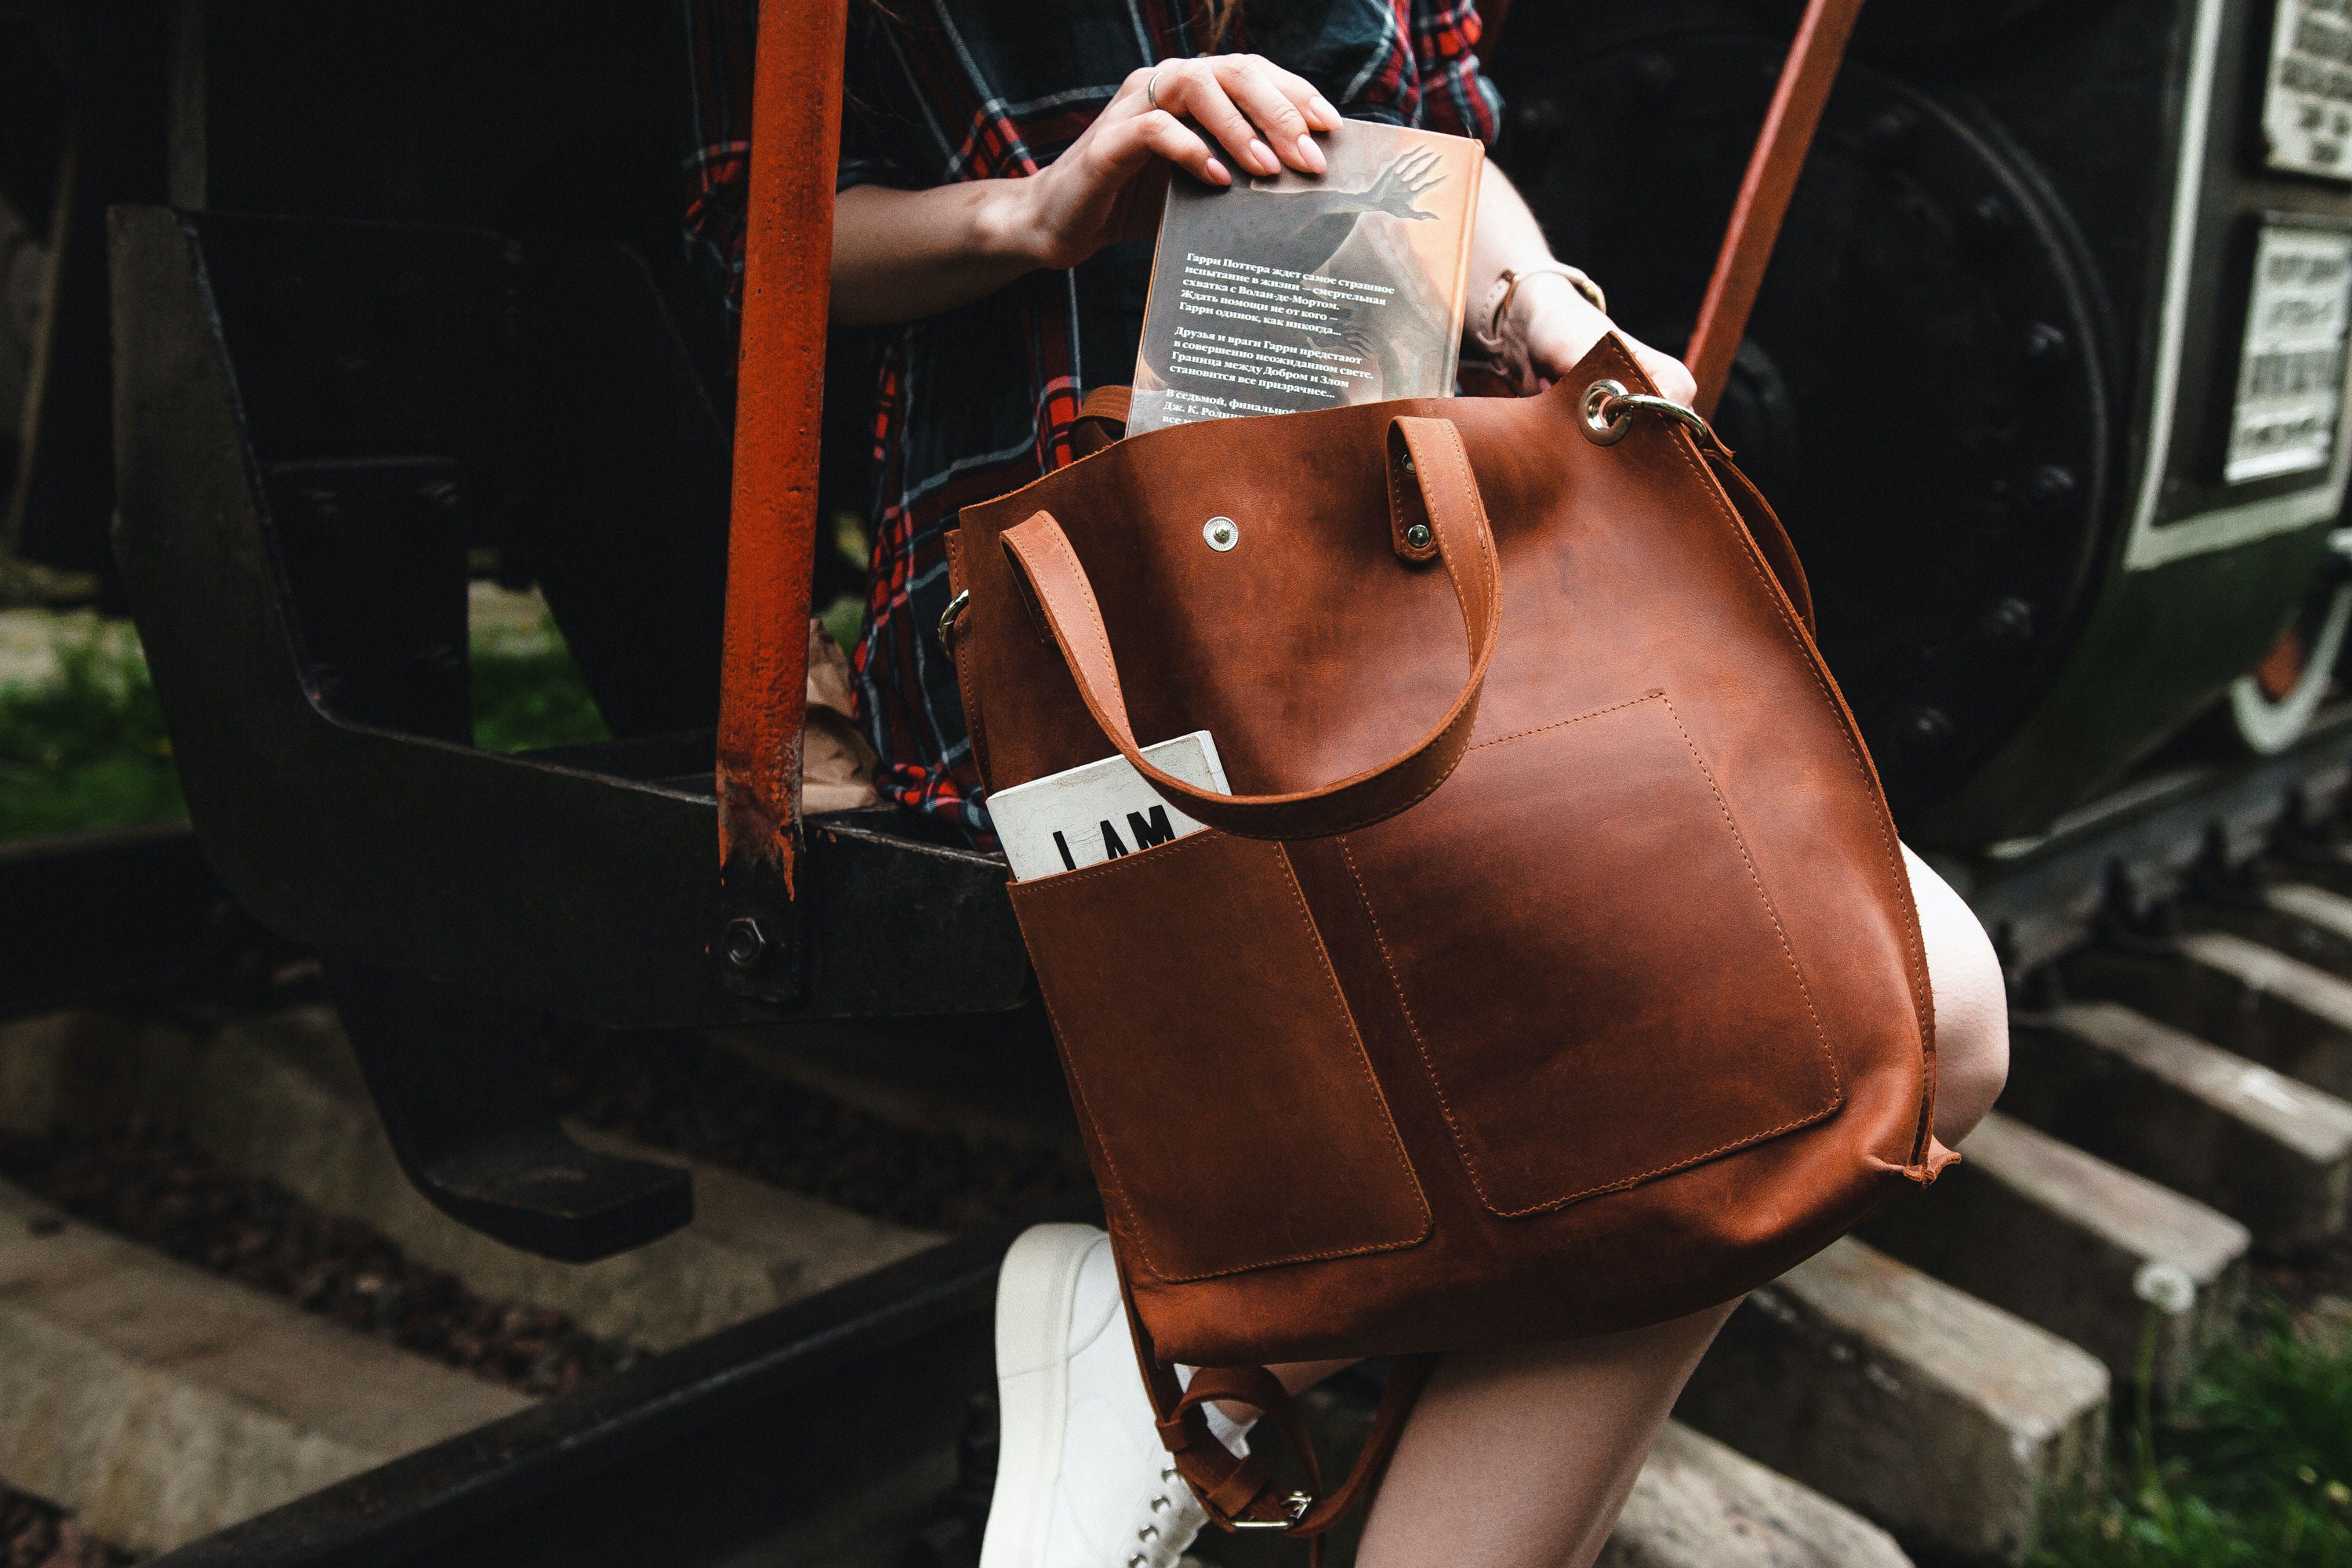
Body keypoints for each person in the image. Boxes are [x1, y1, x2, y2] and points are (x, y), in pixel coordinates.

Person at [686, 7, 2009, 1566]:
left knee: (1887, 1031)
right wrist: (1039, 209)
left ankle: (1182, 1354)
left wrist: (1553, 315)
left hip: (1392, 563)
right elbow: (756, 240)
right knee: (1873, 1032)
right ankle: (1181, 1355)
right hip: (1085, 607)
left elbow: (1444, 148)